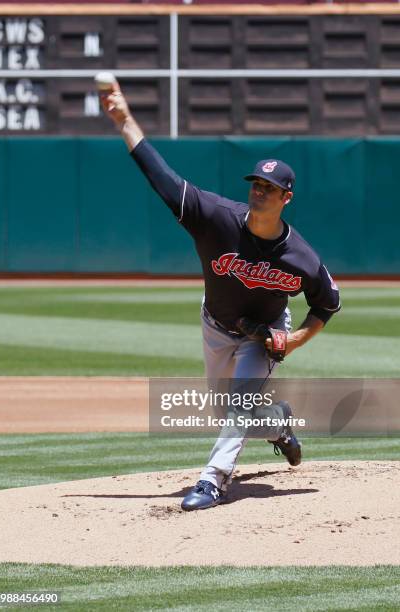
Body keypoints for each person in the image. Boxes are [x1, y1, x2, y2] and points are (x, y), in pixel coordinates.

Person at [100, 80, 341, 512]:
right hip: (215, 325)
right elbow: (163, 179)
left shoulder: (301, 257)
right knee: (233, 413)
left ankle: (212, 481)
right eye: (255, 183)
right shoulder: (215, 217)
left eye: (268, 187)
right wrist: (125, 121)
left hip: (263, 336)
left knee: (238, 408)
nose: (258, 190)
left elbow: (326, 305)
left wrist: (294, 339)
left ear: (286, 197)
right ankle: (281, 424)